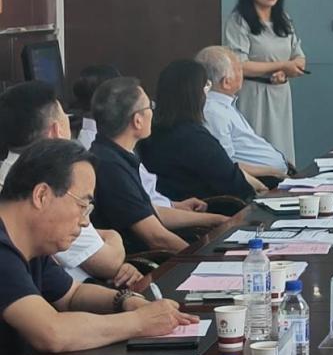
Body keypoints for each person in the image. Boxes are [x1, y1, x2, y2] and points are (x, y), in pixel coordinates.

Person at [0, 139, 196, 355]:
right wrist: (140, 322)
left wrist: (127, 301)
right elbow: (51, 332)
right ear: (41, 195)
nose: (85, 222)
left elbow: (72, 294)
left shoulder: (29, 246)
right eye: (82, 205)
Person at [0, 82, 140, 288]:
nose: (83, 221)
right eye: (64, 115)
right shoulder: (53, 181)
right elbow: (108, 264)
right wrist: (113, 235)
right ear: (56, 131)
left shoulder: (11, 173)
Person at [90, 77, 224, 254]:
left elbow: (149, 213)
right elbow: (157, 238)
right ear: (137, 120)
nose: (153, 112)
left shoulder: (115, 153)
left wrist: (215, 220)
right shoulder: (110, 168)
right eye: (150, 107)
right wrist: (204, 259)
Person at [72, 65, 210, 219]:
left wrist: (174, 205)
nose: (153, 111)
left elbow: (147, 201)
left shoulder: (118, 149)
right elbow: (147, 222)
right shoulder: (108, 159)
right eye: (149, 106)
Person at [139, 60, 262, 202]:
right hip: (210, 208)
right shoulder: (194, 139)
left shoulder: (150, 132)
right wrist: (262, 189)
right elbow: (235, 185)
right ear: (197, 94)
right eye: (206, 86)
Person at [224, 0, 306, 161]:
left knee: (282, 149)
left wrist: (285, 72)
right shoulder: (239, 21)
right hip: (253, 94)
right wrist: (282, 65)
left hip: (280, 93)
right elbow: (239, 64)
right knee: (256, 149)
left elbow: (299, 58)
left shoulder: (284, 19)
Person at [195, 46, 290, 182]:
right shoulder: (213, 112)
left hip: (274, 176)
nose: (242, 73)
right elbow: (226, 165)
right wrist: (273, 172)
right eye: (238, 69)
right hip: (259, 182)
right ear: (226, 82)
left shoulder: (224, 106)